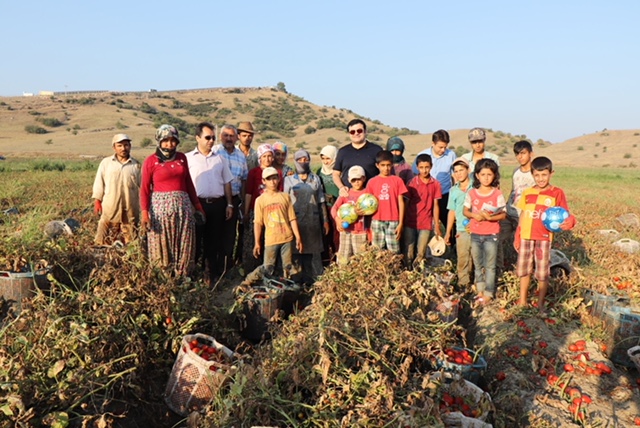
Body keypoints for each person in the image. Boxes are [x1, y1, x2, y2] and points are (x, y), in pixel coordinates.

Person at [140, 124, 205, 276]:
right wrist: (144, 213)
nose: (169, 144)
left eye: (173, 140)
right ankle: (164, 277)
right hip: (160, 211)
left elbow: (188, 182)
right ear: (159, 141)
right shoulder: (151, 161)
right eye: (166, 140)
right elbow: (144, 189)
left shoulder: (182, 158)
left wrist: (197, 206)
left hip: (183, 209)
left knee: (184, 242)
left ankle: (183, 276)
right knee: (162, 243)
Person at [515, 156, 576, 314]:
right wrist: (518, 233)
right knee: (524, 269)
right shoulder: (527, 193)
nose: (540, 179)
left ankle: (540, 304)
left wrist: (571, 222)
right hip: (526, 236)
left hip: (543, 237)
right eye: (537, 175)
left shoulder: (556, 193)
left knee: (542, 272)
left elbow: (566, 213)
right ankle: (522, 300)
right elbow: (523, 214)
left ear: (551, 173)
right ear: (532, 175)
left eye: (544, 175)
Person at [187, 122, 234, 283]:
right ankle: (192, 276)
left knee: (213, 241)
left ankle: (209, 276)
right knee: (195, 242)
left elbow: (227, 182)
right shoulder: (187, 159)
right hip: (196, 205)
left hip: (217, 205)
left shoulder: (220, 159)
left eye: (213, 138)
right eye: (207, 137)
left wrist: (229, 204)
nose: (211, 141)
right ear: (197, 138)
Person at [242, 166, 303, 284]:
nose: (272, 182)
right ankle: (248, 281)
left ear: (279, 179)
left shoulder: (285, 197)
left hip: (287, 238)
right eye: (269, 179)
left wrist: (298, 237)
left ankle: (284, 290)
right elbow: (258, 223)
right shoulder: (260, 200)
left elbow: (292, 218)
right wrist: (257, 242)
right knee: (267, 267)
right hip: (271, 239)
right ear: (263, 181)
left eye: (275, 178)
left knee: (287, 267)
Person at [463, 159, 506, 305]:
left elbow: (503, 214)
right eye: (483, 174)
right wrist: (474, 215)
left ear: (494, 176)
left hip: (491, 234)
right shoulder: (472, 193)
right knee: (477, 263)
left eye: (489, 174)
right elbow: (465, 211)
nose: (486, 177)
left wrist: (491, 217)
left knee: (490, 265)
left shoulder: (497, 194)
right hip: (475, 234)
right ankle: (480, 289)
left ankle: (488, 292)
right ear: (477, 176)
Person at [284, 150, 329, 280]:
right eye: (300, 160)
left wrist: (325, 221)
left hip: (313, 222)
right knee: (296, 253)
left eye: (306, 159)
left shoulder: (315, 178)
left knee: (314, 255)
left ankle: (315, 283)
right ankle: (296, 283)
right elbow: (286, 202)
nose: (303, 162)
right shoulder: (289, 179)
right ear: (295, 161)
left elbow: (321, 200)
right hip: (295, 222)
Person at [92, 133, 141, 245]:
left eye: (126, 145)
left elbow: (143, 188)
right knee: (103, 241)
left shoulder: (136, 165)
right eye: (120, 145)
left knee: (130, 243)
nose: (123, 148)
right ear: (114, 147)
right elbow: (99, 183)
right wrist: (97, 202)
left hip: (130, 210)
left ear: (130, 146)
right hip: (110, 208)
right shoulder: (106, 163)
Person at [413, 130, 457, 247]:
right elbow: (414, 175)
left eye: (445, 147)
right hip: (426, 196)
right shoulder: (422, 155)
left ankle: (452, 248)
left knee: (450, 225)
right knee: (424, 224)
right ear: (433, 143)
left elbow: (455, 176)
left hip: (444, 195)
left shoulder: (451, 155)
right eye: (440, 147)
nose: (443, 150)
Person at [497, 141, 536, 275]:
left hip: (525, 215)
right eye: (517, 154)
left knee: (524, 246)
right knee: (497, 238)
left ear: (531, 154)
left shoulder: (536, 173)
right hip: (510, 211)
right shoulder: (515, 172)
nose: (520, 157)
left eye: (523, 153)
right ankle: (499, 269)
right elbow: (514, 191)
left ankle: (523, 272)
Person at [214, 124, 248, 269]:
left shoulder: (241, 156)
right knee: (214, 234)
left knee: (229, 235)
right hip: (217, 200)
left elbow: (244, 180)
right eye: (226, 135)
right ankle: (211, 268)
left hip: (233, 200)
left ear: (236, 138)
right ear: (220, 137)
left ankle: (226, 268)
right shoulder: (215, 152)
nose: (228, 138)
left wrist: (242, 202)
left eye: (231, 136)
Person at [403, 153, 442, 268]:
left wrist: (437, 225)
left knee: (421, 252)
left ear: (431, 166)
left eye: (427, 167)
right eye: (421, 168)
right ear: (417, 167)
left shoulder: (435, 184)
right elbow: (406, 203)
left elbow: (436, 205)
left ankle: (418, 276)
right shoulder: (412, 183)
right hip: (410, 222)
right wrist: (403, 221)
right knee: (408, 250)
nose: (424, 170)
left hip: (426, 223)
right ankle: (407, 274)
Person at [365, 150, 408, 253]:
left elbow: (401, 202)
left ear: (392, 165)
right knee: (377, 250)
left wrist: (401, 223)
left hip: (393, 220)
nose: (386, 168)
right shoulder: (372, 182)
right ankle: (379, 270)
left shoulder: (397, 181)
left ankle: (394, 269)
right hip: (376, 220)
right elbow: (367, 203)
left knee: (394, 251)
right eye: (383, 165)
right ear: (377, 165)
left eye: (388, 165)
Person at [243, 144, 275, 274]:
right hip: (255, 212)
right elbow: (249, 193)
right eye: (264, 156)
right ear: (260, 158)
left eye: (269, 156)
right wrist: (246, 212)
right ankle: (251, 271)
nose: (267, 159)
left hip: (272, 212)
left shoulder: (275, 173)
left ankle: (268, 270)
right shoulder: (254, 172)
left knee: (269, 240)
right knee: (253, 240)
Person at [332, 119, 383, 197]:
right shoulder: (343, 152)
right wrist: (341, 188)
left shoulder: (376, 150)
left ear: (365, 131)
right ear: (349, 134)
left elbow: (383, 173)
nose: (356, 134)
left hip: (372, 196)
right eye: (352, 132)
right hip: (349, 196)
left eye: (359, 131)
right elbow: (335, 174)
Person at [331, 166, 370, 265]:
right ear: (349, 180)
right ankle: (343, 276)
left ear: (364, 178)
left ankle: (360, 279)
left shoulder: (367, 194)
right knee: (344, 258)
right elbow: (334, 209)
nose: (356, 182)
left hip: (361, 232)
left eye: (359, 179)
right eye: (353, 180)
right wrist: (337, 220)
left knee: (361, 260)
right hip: (346, 232)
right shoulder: (346, 193)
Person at [445, 158, 473, 289]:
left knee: (476, 259)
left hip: (476, 228)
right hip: (461, 229)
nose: (459, 173)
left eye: (461, 170)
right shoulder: (453, 191)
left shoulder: (476, 187)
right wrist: (448, 232)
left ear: (468, 170)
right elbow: (452, 212)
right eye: (456, 171)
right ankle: (464, 285)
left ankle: (477, 285)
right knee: (462, 258)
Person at [317, 145, 340, 262]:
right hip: (324, 208)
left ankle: (337, 261)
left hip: (338, 208)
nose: (326, 162)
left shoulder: (339, 171)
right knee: (325, 235)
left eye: (328, 158)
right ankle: (325, 262)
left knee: (337, 236)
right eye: (323, 159)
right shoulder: (319, 172)